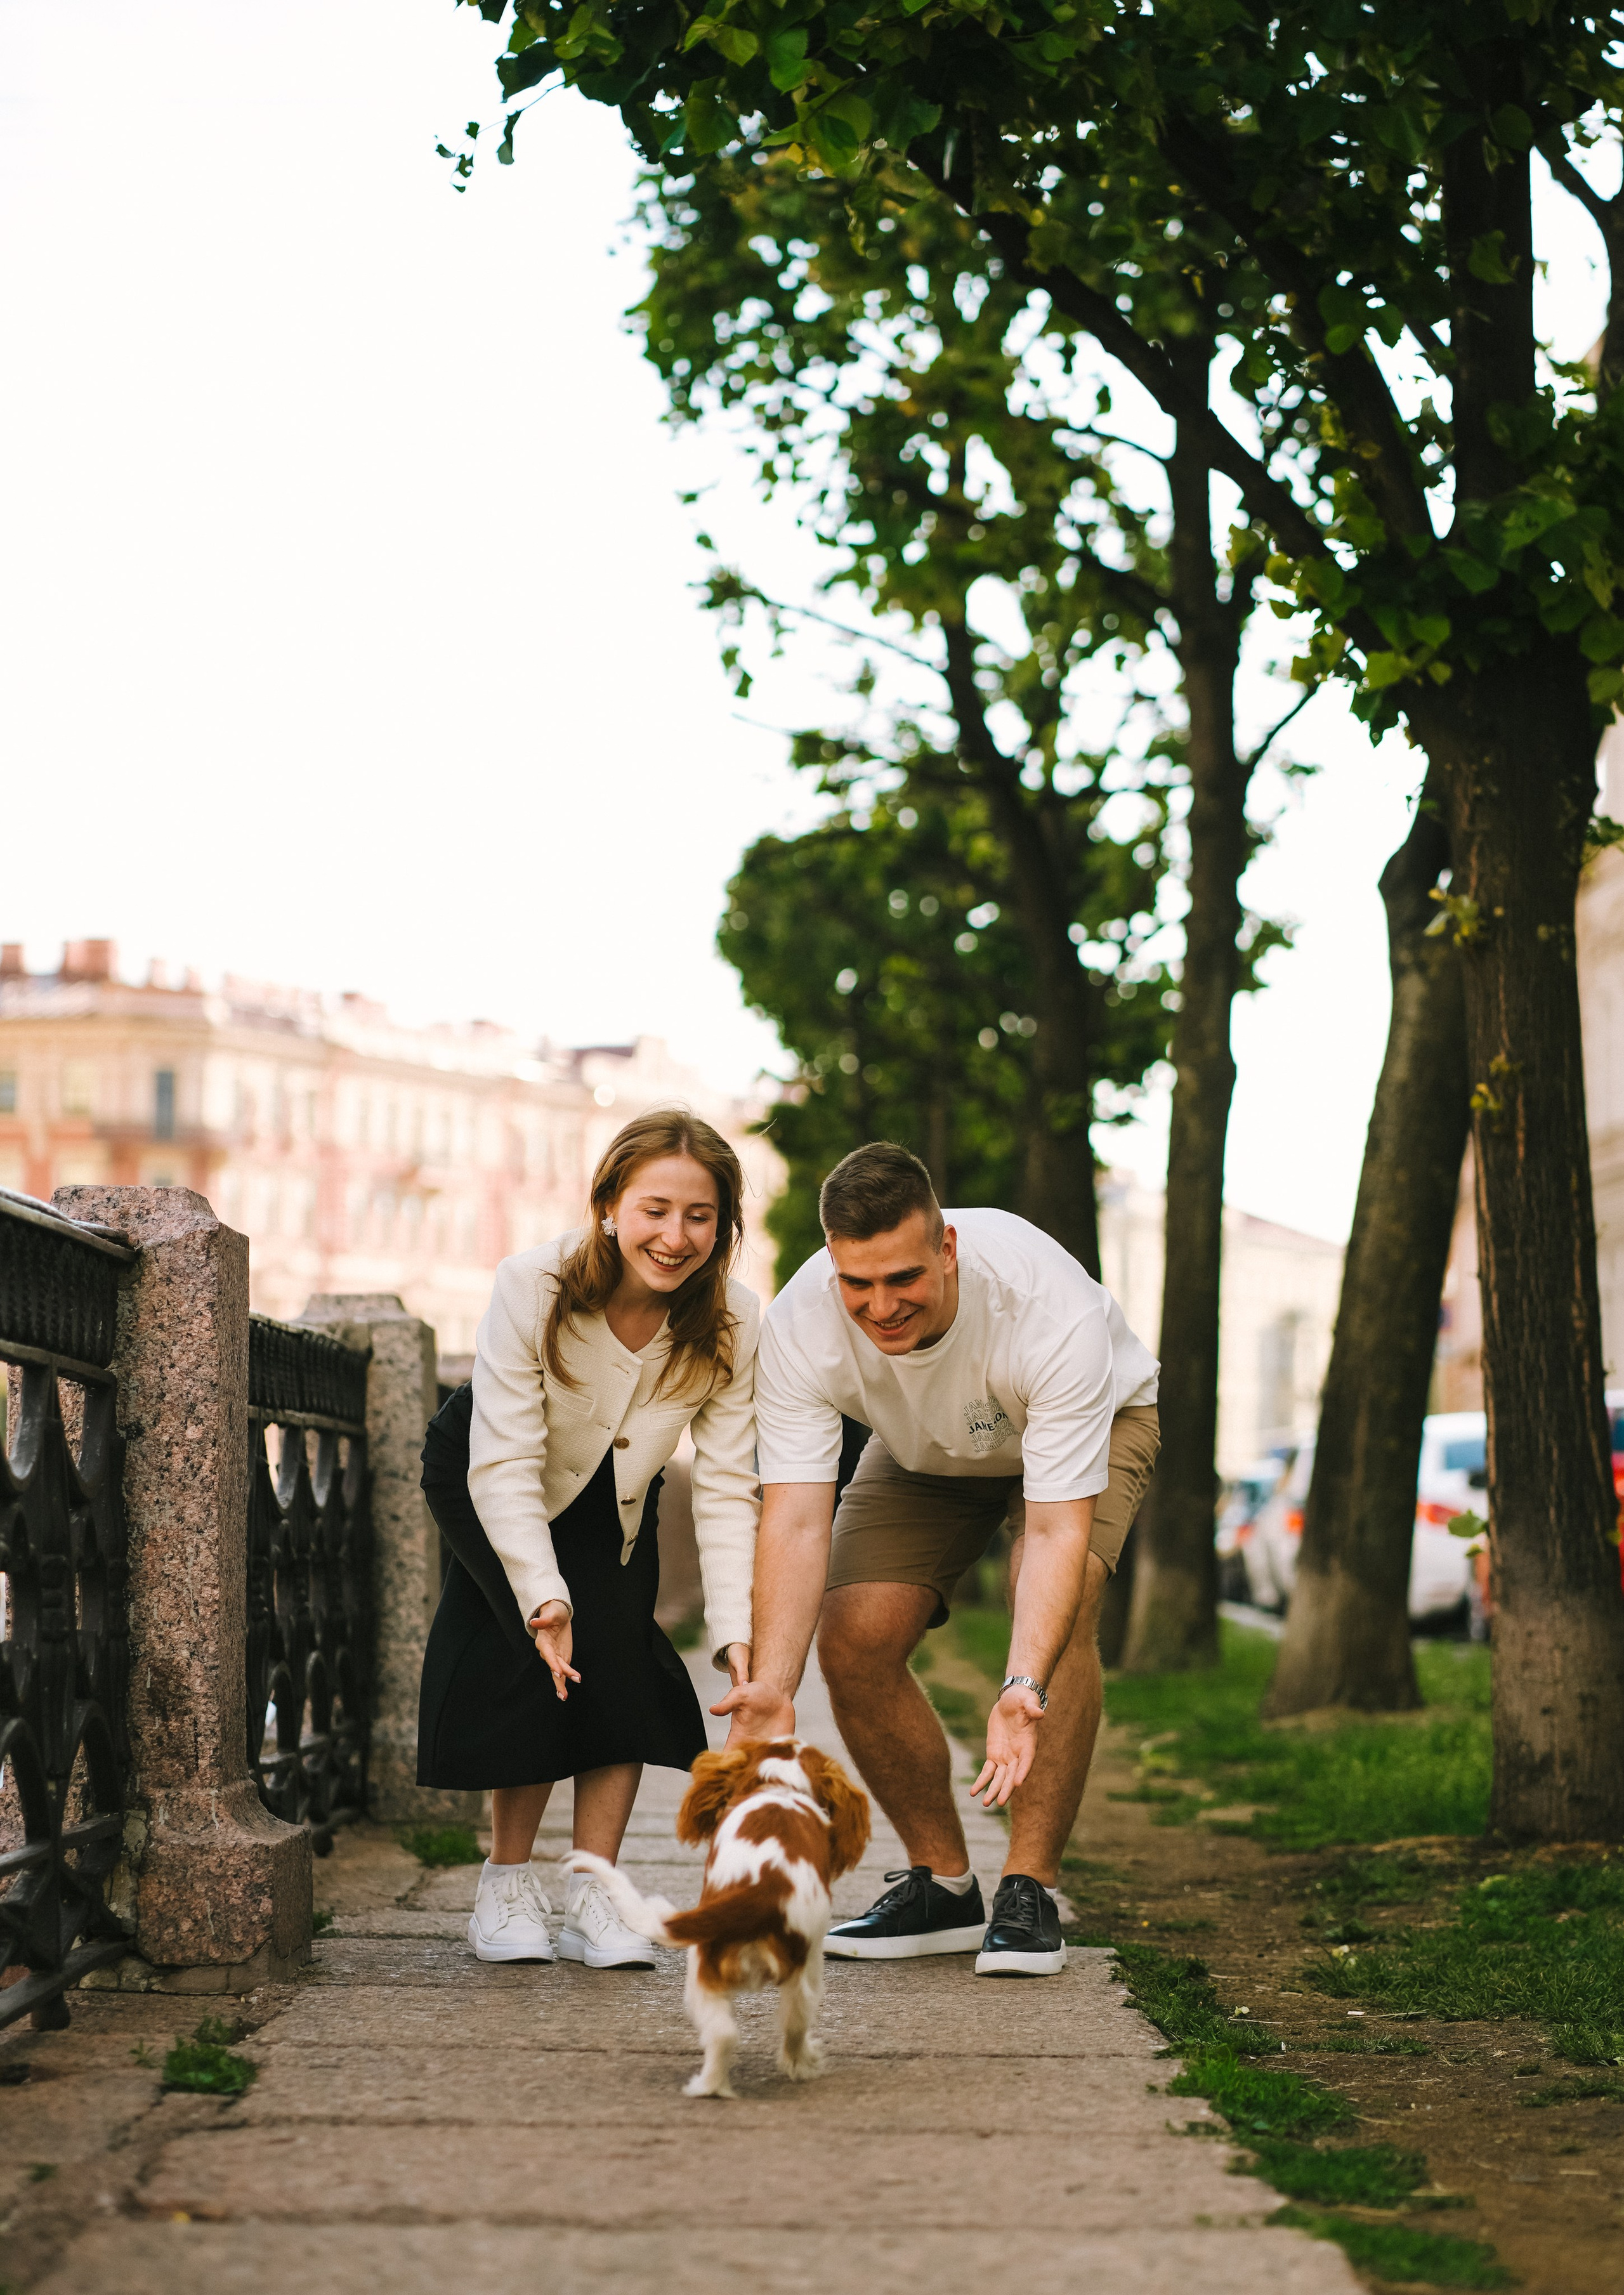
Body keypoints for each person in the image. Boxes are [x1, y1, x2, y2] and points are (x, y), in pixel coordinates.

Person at [716, 1141, 1159, 1978]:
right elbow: (797, 1518)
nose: (880, 1306)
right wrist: (774, 1687)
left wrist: (1021, 1685)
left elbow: (1059, 1533)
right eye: (859, 1283)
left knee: (1059, 1611)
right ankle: (944, 1885)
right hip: (926, 1446)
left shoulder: (1043, 1305)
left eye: (904, 1279)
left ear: (946, 1248)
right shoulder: (801, 1320)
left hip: (1082, 1431)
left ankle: (1029, 1887)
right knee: (853, 1632)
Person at [416, 1110, 760, 1968]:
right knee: (530, 1656)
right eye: (655, 1209)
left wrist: (735, 1631)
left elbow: (723, 1484)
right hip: (490, 1464)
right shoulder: (532, 1282)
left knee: (618, 1661)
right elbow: (502, 1461)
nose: (676, 1236)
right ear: (609, 1203)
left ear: (723, 1225)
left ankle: (595, 1892)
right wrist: (543, 1592)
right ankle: (504, 1882)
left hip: (618, 1488)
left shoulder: (733, 1321)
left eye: (699, 1215)